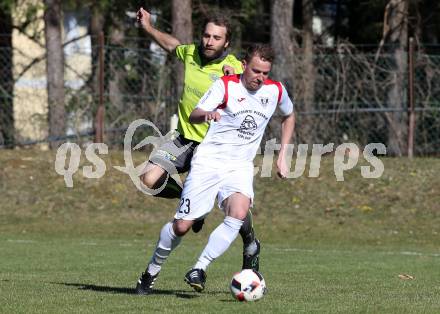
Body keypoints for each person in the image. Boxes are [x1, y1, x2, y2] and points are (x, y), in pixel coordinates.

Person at [136, 44, 295, 294]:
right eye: (255, 71)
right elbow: (195, 114)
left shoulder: (274, 90)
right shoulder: (226, 85)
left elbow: (289, 115)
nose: (260, 78)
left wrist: (283, 155)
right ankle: (150, 272)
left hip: (239, 167)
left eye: (265, 73)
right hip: (208, 163)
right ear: (244, 65)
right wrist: (209, 114)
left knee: (239, 212)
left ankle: (199, 268)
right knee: (181, 227)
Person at [136, 7, 261, 277]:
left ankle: (250, 240)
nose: (209, 41)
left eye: (217, 38)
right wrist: (148, 27)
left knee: (232, 207)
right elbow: (172, 45)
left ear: (226, 43)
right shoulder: (191, 53)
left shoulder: (236, 67)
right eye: (206, 35)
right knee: (148, 178)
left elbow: (257, 94)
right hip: (184, 139)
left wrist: (236, 77)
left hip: (217, 150)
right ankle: (192, 201)